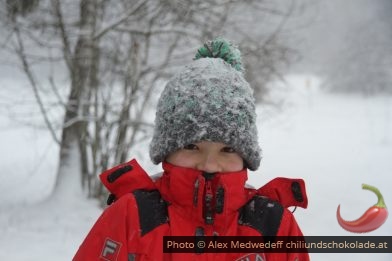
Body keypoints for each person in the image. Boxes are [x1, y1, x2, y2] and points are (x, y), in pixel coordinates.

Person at [73, 38, 309, 261]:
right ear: (167, 151)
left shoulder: (273, 225)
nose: (208, 164)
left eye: (227, 149)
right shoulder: (133, 215)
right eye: (191, 146)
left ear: (246, 157)